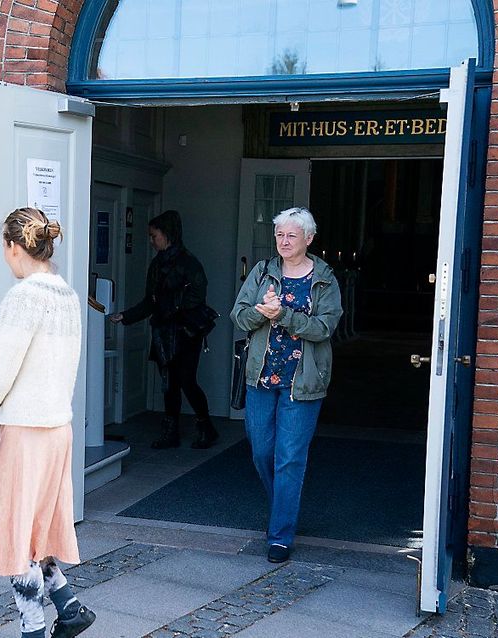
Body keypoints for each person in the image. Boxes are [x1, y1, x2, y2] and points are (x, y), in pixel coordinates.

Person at [0, 208, 96, 638]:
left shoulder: (24, 296)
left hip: (26, 428)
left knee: (17, 531)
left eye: (4, 250)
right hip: (57, 427)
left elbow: (2, 368)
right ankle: (69, 608)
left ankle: (32, 628)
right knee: (39, 530)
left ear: (14, 247)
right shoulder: (66, 294)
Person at [231, 207, 343, 564]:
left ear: (308, 239)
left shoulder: (324, 278)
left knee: (290, 458)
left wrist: (284, 316)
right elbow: (239, 316)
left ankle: (280, 535)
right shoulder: (263, 273)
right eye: (279, 234)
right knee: (261, 451)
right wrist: (260, 313)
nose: (283, 241)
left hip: (303, 382)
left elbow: (324, 328)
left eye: (292, 235)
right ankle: (284, 506)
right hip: (261, 378)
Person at [109, 209, 218, 449]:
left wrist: (168, 305)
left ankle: (205, 427)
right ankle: (173, 433)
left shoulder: (188, 262)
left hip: (185, 332)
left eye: (153, 235)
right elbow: (151, 300)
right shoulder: (158, 264)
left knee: (186, 380)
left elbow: (197, 295)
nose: (151, 240)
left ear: (166, 234)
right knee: (169, 382)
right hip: (164, 330)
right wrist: (126, 316)